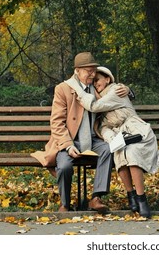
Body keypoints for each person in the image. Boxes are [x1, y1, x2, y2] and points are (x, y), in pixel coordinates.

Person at [31, 52, 130, 213]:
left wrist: (127, 90)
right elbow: (56, 122)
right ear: (77, 71)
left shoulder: (98, 88)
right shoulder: (63, 89)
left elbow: (115, 91)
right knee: (64, 166)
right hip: (69, 140)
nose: (92, 74)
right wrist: (68, 145)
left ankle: (96, 198)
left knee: (108, 149)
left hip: (93, 139)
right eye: (88, 71)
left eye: (94, 70)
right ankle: (65, 203)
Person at [64, 66, 159, 218]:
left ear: (108, 79)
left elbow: (93, 106)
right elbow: (103, 127)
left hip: (137, 132)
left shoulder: (115, 91)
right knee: (119, 153)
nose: (95, 83)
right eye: (93, 81)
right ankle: (131, 195)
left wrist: (79, 90)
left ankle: (141, 198)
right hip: (120, 135)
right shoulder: (101, 97)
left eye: (98, 80)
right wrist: (110, 138)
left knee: (131, 154)